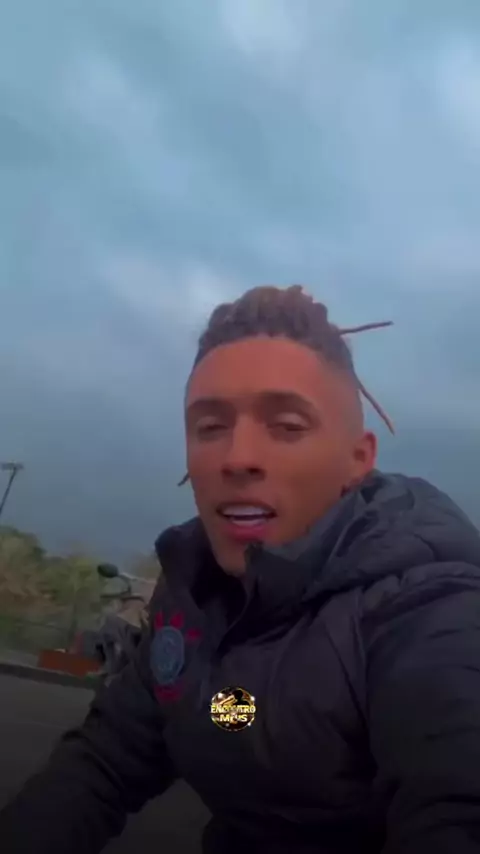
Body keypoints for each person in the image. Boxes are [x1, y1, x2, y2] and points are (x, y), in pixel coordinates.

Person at [2, 284, 480, 854]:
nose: (237, 457)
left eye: (287, 426)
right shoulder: (191, 596)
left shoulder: (431, 610)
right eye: (210, 427)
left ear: (358, 459)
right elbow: (106, 759)